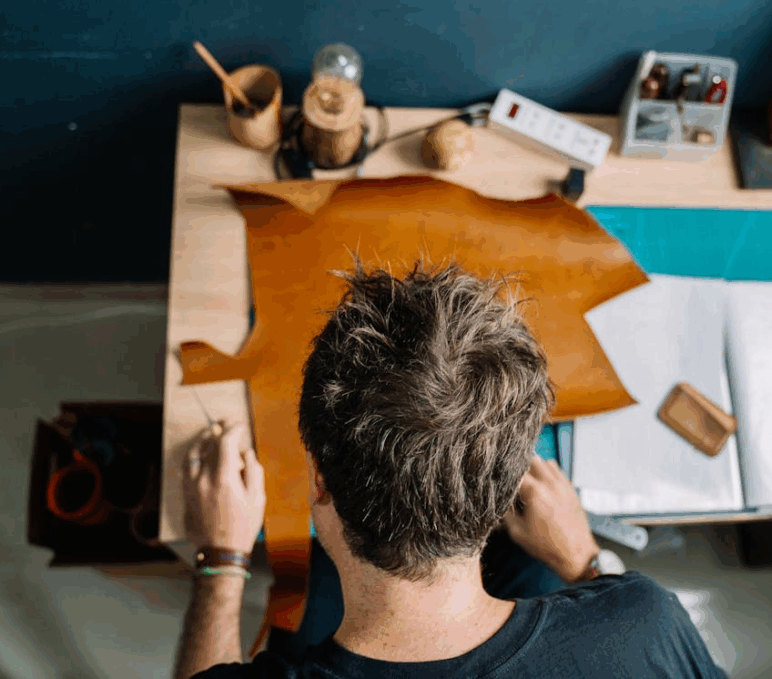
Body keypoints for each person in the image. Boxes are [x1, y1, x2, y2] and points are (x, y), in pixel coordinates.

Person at [174, 262, 728, 679]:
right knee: (534, 578)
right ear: (510, 483)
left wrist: (221, 560)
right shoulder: (646, 626)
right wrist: (585, 562)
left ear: (318, 478)